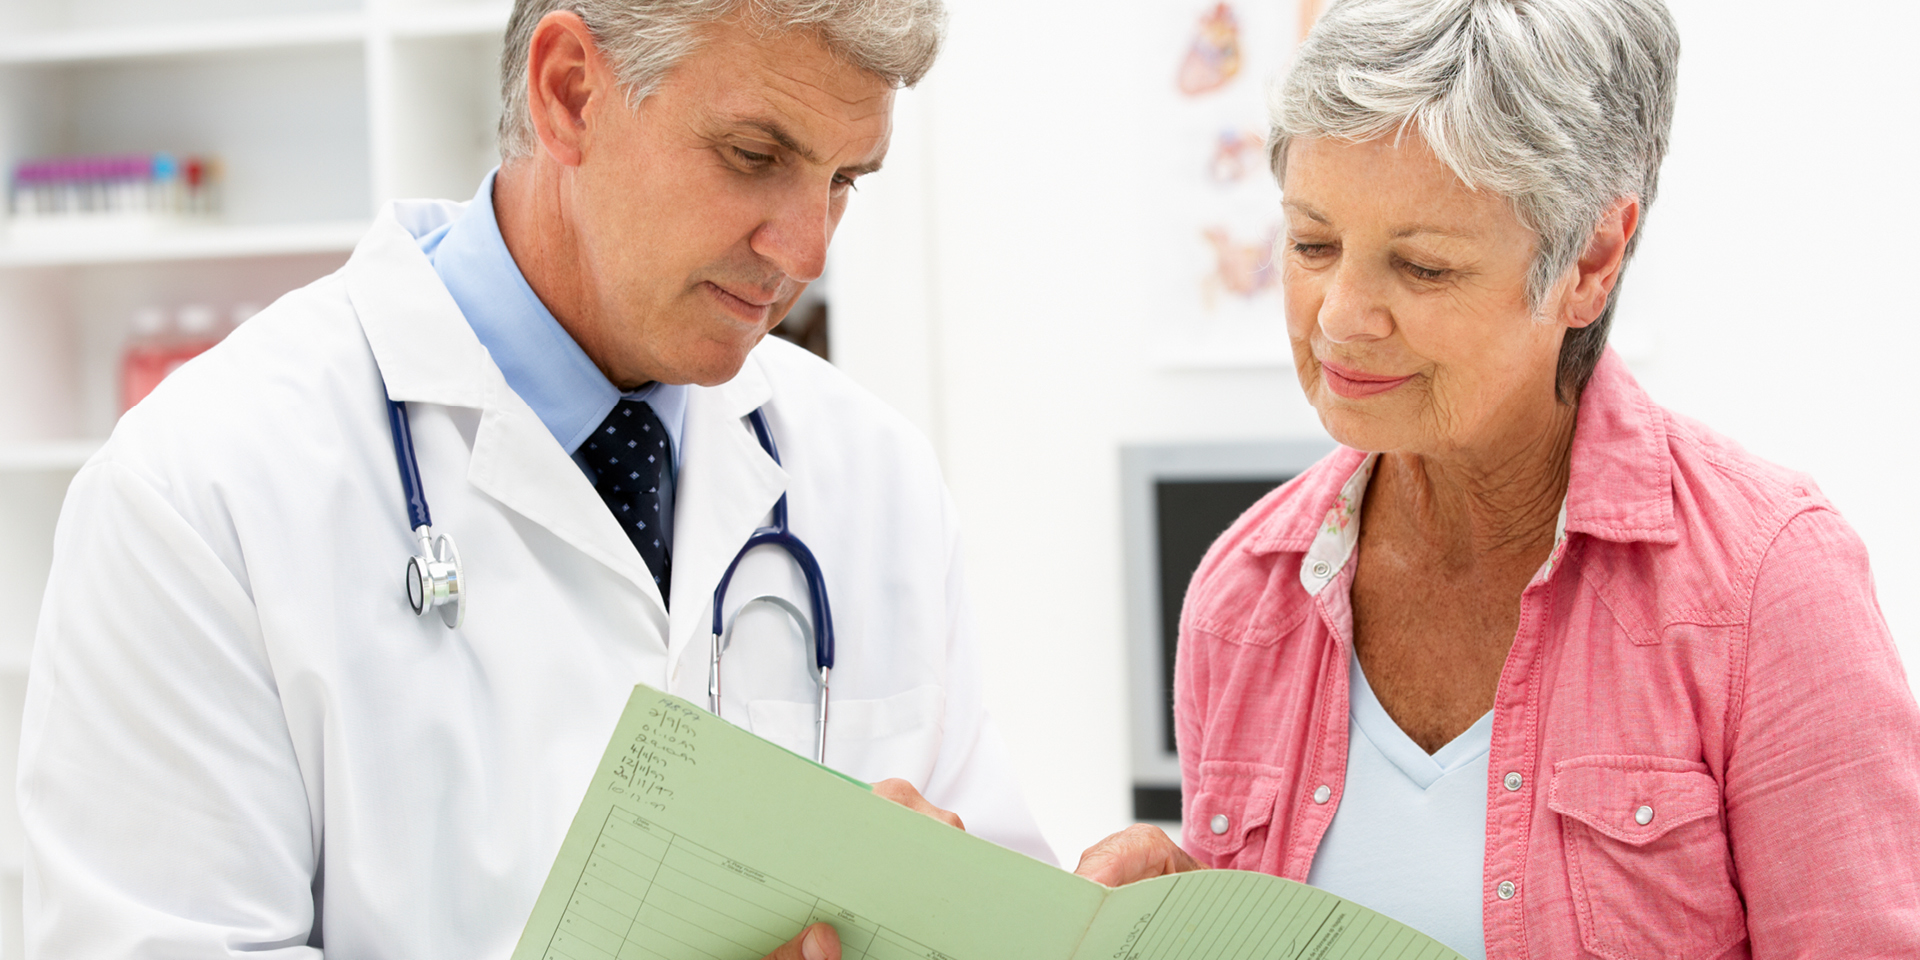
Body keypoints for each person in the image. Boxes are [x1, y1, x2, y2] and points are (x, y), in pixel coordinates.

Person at [19, 1, 1052, 957]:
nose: (806, 249)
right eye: (753, 156)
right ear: (569, 91)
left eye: (843, 181)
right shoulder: (201, 492)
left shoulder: (874, 476)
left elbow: (990, 897)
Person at [1074, 0, 1920, 957]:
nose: (1340, 317)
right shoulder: (1245, 594)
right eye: (1313, 243)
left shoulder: (1769, 584)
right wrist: (1186, 917)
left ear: (1590, 261)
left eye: (1423, 267)